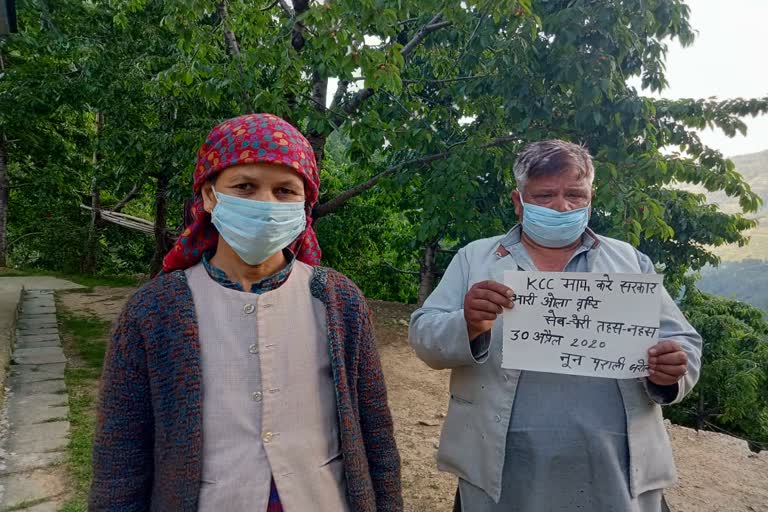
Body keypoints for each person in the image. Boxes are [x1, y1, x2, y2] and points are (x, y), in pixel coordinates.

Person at [89, 113, 402, 512]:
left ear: (305, 202)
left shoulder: (339, 301)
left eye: (285, 190)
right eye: (245, 186)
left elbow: (376, 435)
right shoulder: (154, 310)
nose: (266, 204)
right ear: (208, 195)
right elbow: (121, 454)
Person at [409, 140, 702, 512]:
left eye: (575, 195)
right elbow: (423, 335)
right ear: (519, 202)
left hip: (613, 471)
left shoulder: (629, 261)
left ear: (591, 197)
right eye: (544, 195)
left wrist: (672, 370)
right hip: (503, 469)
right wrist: (466, 324)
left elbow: (683, 341)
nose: (561, 207)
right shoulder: (475, 259)